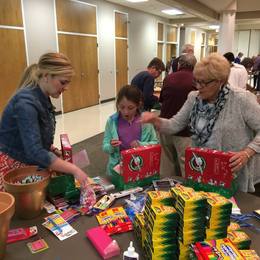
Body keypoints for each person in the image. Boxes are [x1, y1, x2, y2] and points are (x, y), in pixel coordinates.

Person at [141, 53, 260, 193]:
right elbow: (175, 124)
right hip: (202, 168)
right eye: (196, 81)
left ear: (220, 81)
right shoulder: (194, 98)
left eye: (204, 82)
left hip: (232, 172)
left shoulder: (241, 99)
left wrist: (246, 153)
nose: (198, 87)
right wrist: (155, 120)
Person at [0, 53, 94, 196]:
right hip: (16, 167)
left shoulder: (43, 96)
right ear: (46, 75)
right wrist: (74, 169)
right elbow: (34, 151)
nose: (66, 87)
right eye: (63, 82)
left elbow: (34, 133)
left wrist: (51, 149)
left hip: (27, 161)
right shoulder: (26, 103)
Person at [102, 85, 158, 177]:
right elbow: (105, 146)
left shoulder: (145, 122)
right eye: (122, 107)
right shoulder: (112, 121)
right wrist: (111, 146)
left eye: (130, 108)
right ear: (117, 105)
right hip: (117, 169)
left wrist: (140, 144)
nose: (125, 112)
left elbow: (155, 143)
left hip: (141, 167)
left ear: (138, 105)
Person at [159, 54, 197, 178]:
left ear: (179, 64)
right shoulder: (196, 80)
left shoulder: (168, 78)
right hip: (185, 131)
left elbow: (162, 101)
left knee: (167, 162)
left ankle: (166, 189)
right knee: (185, 164)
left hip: (165, 125)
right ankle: (187, 192)